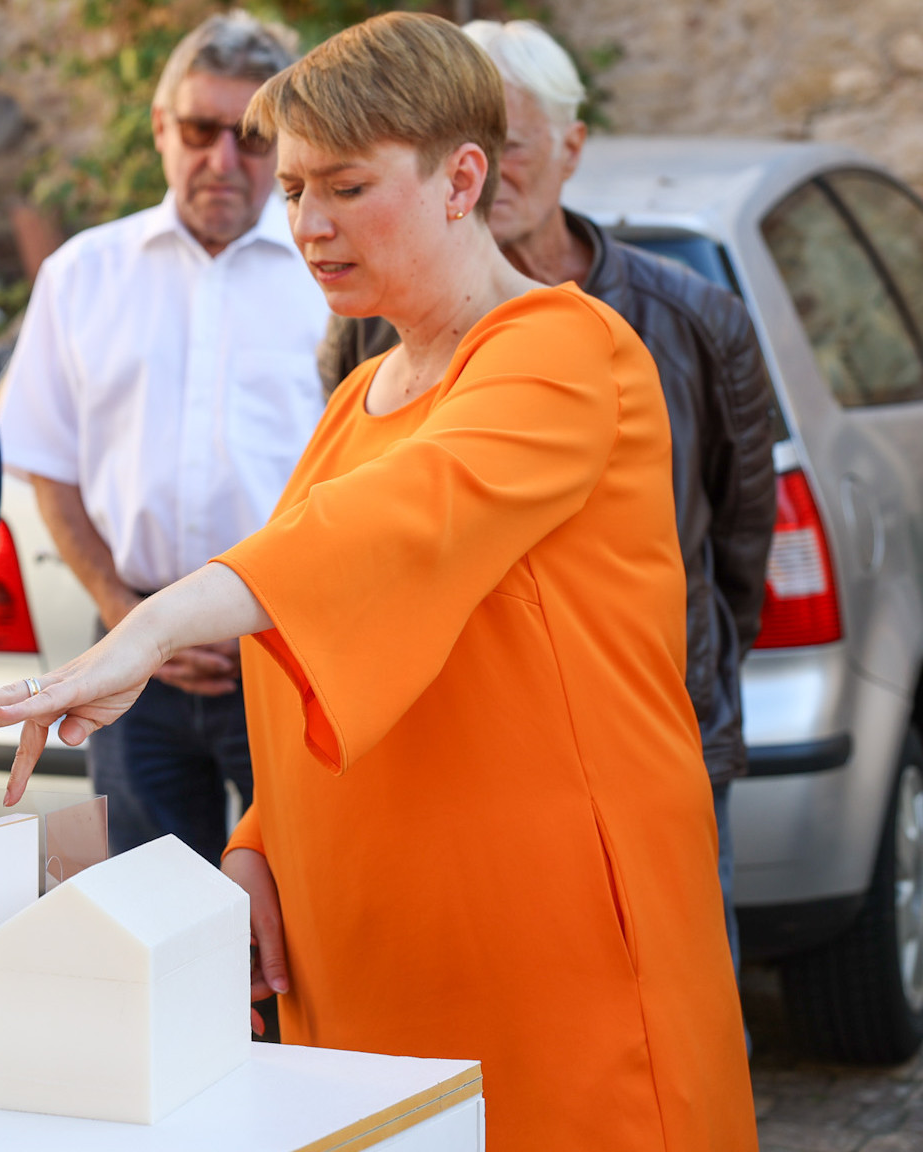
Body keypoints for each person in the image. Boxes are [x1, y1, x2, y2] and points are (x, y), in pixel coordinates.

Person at [0, 13, 756, 1149]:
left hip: (543, 944)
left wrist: (146, 626)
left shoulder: (566, 351)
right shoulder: (352, 401)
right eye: (293, 192)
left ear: (460, 177)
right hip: (365, 952)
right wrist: (260, 840)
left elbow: (387, 535)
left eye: (344, 188)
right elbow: (338, 651)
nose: (307, 225)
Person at [316, 18, 775, 968]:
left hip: (651, 724)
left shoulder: (690, 319)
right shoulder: (377, 334)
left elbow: (739, 535)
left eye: (513, 141)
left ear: (571, 148)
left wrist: (680, 672)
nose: (490, 168)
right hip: (460, 742)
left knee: (666, 986)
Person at [0, 12, 325, 862]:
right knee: (155, 922)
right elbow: (50, 467)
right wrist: (121, 610)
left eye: (251, 136)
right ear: (159, 129)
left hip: (296, 662)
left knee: (307, 923)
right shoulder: (83, 275)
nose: (222, 159)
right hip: (136, 667)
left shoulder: (337, 278)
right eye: (198, 129)